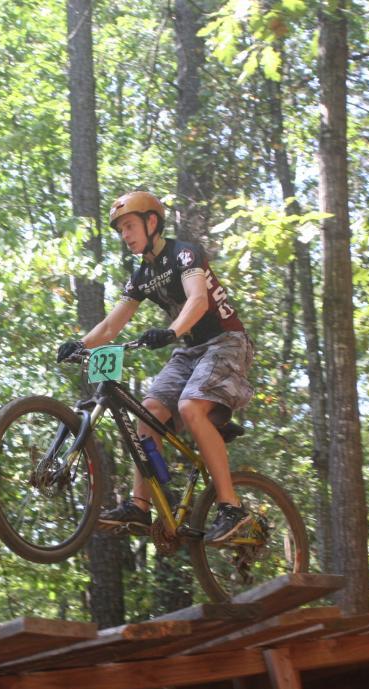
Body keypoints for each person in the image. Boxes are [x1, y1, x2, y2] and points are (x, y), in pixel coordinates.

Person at [56, 191, 255, 544]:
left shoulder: (184, 253)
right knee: (148, 415)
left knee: (190, 406)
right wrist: (80, 345)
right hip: (192, 349)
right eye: (120, 231)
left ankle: (232, 507)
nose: (125, 235)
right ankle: (139, 506)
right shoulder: (142, 276)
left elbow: (198, 298)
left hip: (227, 342)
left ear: (152, 222)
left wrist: (171, 331)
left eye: (130, 226)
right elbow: (110, 328)